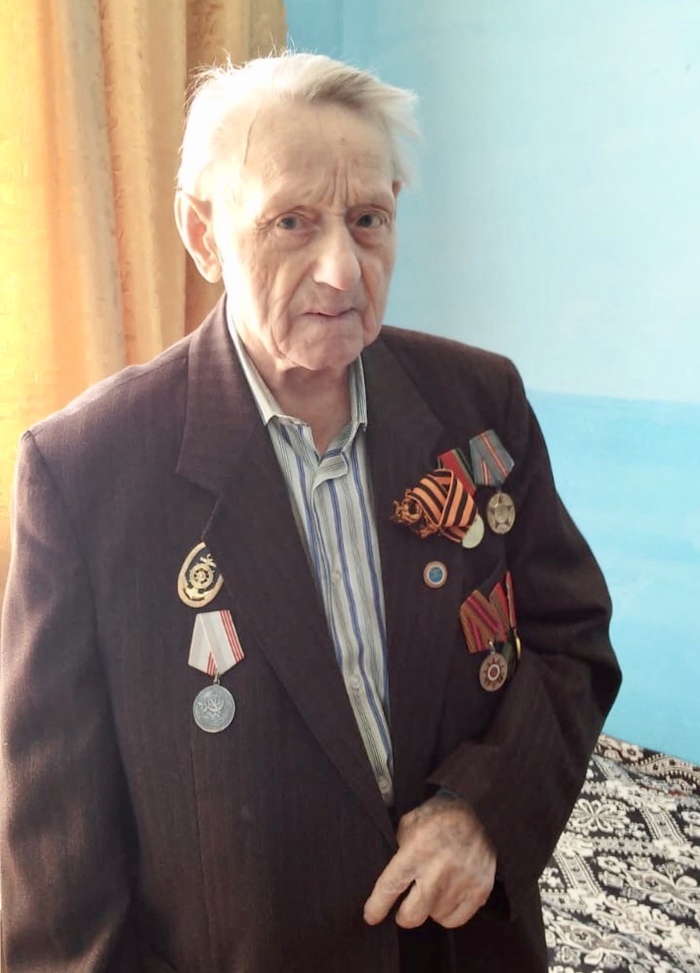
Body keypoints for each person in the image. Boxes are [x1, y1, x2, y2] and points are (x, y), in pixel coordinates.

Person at [0, 52, 620, 972]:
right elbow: (59, 873)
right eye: (290, 221)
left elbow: (572, 639)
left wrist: (483, 809)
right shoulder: (85, 472)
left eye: (367, 219)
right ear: (204, 234)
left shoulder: (478, 401)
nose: (341, 271)